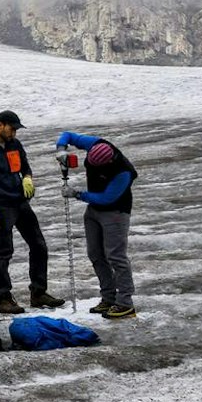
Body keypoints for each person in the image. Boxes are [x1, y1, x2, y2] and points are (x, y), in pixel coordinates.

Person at [0, 110, 65, 314]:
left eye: (16, 130)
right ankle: (4, 298)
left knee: (39, 246)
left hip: (21, 203)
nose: (14, 133)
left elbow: (25, 167)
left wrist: (27, 178)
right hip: (1, 206)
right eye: (12, 129)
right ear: (0, 125)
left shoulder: (15, 145)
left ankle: (38, 293)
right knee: (4, 252)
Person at [56, 131, 139, 319]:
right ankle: (108, 298)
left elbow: (106, 198)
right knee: (95, 254)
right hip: (93, 211)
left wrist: (77, 194)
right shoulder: (95, 144)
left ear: (107, 163)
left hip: (115, 213)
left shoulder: (123, 172)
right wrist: (61, 149)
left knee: (116, 257)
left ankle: (125, 303)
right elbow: (68, 135)